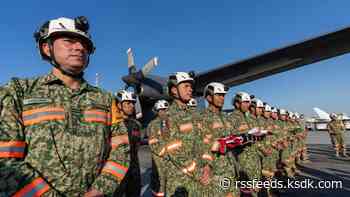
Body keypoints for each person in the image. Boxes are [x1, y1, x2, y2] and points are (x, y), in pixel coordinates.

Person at [0, 16, 129, 196]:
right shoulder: (19, 92)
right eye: (69, 41)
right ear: (47, 48)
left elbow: (122, 149)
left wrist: (100, 190)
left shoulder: (105, 99)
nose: (79, 47)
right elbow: (5, 161)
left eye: (84, 44)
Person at [148, 72, 209, 196]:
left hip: (201, 180)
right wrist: (199, 172)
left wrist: (208, 166)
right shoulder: (167, 118)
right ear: (174, 90)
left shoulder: (196, 116)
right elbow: (173, 150)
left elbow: (205, 142)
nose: (190, 89)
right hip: (180, 182)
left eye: (191, 86)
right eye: (186, 86)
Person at [200, 82, 239, 197]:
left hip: (231, 168)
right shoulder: (202, 118)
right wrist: (206, 168)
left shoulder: (226, 118)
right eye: (218, 95)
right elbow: (199, 146)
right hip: (216, 173)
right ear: (208, 97)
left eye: (223, 95)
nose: (222, 98)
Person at [227, 92, 262, 197]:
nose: (248, 105)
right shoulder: (232, 118)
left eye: (249, 103)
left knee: (255, 189)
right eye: (245, 102)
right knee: (246, 191)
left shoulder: (248, 118)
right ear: (237, 104)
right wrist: (245, 138)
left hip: (254, 158)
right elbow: (230, 139)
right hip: (243, 161)